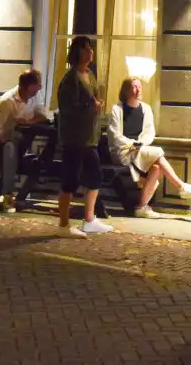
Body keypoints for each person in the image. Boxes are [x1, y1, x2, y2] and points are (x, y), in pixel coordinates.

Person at [109, 77, 191, 218]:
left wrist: (140, 143)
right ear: (126, 91)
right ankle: (181, 186)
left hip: (141, 150)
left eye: (139, 86)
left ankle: (141, 207)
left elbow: (149, 133)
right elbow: (115, 135)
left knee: (157, 168)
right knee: (158, 153)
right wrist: (132, 144)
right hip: (124, 151)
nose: (138, 90)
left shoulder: (146, 109)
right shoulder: (117, 109)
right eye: (134, 87)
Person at [56, 36, 113, 238]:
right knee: (70, 180)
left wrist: (96, 106)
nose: (90, 53)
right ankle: (63, 224)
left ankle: (89, 219)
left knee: (95, 176)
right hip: (75, 138)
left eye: (91, 49)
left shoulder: (90, 74)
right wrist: (91, 106)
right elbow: (68, 109)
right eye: (86, 49)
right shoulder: (70, 80)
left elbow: (93, 99)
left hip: (90, 137)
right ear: (78, 52)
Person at [0, 68, 49, 212]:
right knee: (9, 150)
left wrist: (29, 122)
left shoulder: (36, 96)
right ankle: (7, 195)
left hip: (22, 140)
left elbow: (43, 116)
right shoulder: (8, 100)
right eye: (38, 84)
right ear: (30, 86)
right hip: (2, 140)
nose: (40, 88)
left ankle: (7, 195)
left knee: (16, 153)